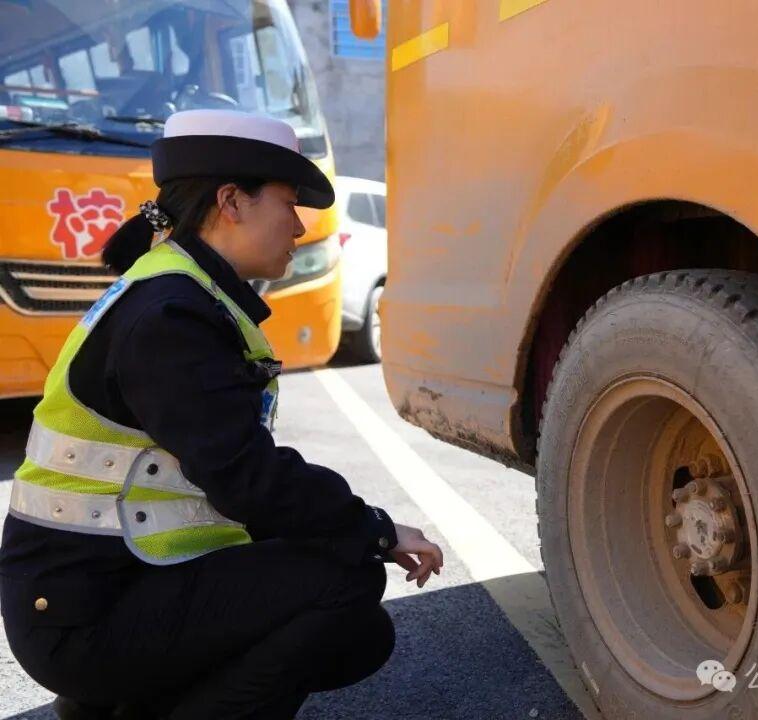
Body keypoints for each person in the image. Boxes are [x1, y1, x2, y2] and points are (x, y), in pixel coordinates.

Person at [0, 109, 443, 720]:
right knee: (346, 579)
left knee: (357, 627)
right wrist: (374, 529)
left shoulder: (179, 290)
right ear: (231, 201)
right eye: (288, 204)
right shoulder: (170, 313)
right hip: (84, 614)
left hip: (104, 584)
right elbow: (245, 476)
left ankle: (113, 707)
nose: (299, 226)